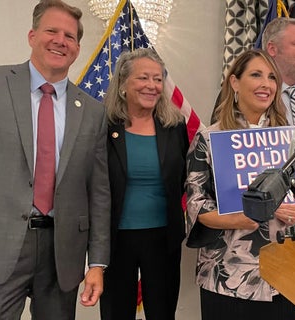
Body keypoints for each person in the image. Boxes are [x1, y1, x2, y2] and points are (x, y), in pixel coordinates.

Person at [0, 0, 110, 319]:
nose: (61, 40)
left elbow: (98, 193)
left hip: (63, 257)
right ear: (32, 35)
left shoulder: (93, 112)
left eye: (70, 36)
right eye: (52, 31)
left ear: (77, 47)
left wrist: (97, 262)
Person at [185, 49, 295, 319]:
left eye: (272, 77)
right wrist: (246, 216)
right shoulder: (209, 139)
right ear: (235, 82)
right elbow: (197, 207)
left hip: (284, 276)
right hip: (226, 277)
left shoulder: (291, 140)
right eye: (256, 75)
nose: (266, 84)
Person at [99, 48, 189, 320]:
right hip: (115, 240)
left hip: (163, 237)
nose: (152, 86)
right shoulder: (102, 125)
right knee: (117, 313)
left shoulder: (175, 126)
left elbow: (186, 178)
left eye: (158, 79)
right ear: (124, 83)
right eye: (143, 78)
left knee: (162, 312)